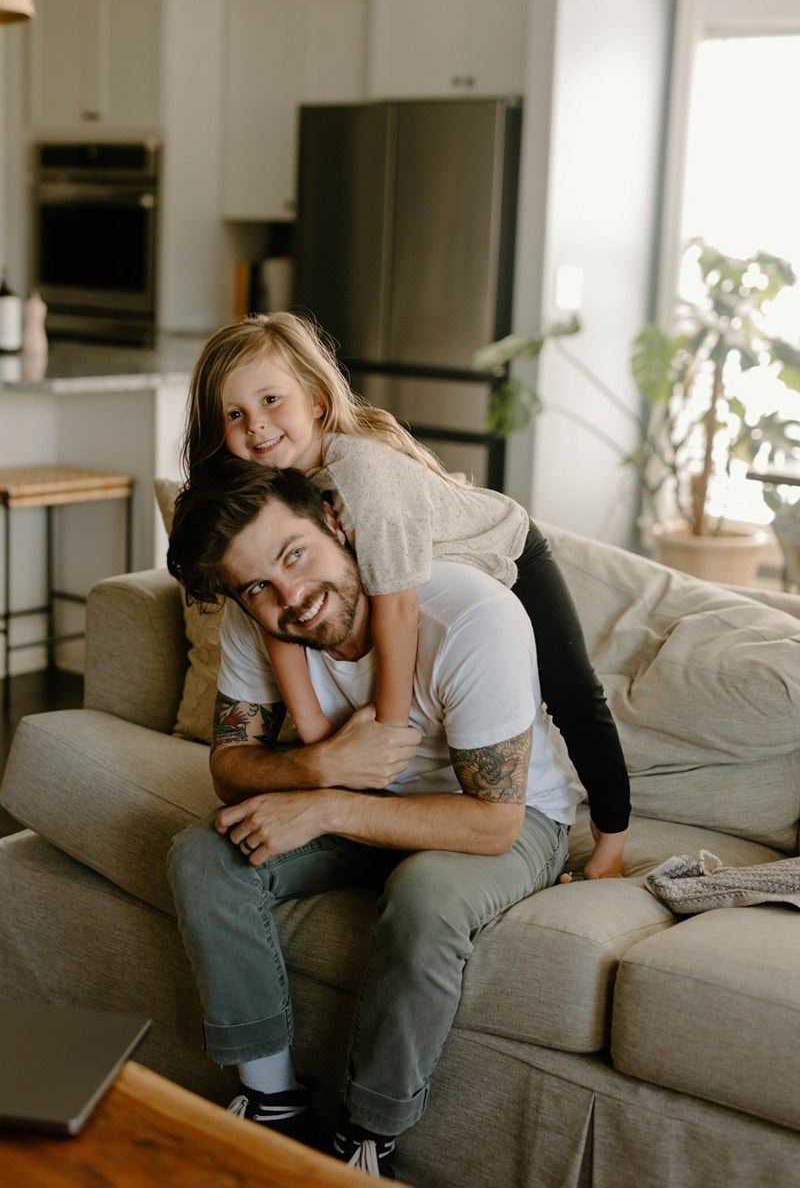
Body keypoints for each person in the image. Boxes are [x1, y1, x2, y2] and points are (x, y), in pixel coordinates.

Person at [165, 462, 602, 1177]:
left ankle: (366, 1140)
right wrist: (318, 769)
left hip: (506, 821)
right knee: (203, 854)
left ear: (338, 524)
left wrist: (329, 807)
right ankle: (273, 1106)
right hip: (365, 811)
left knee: (426, 895)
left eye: (295, 555)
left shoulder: (469, 615)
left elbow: (493, 824)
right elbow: (229, 766)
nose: (291, 598)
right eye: (258, 588)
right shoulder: (260, 621)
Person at [182, 312, 631, 866]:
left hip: (501, 548)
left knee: (571, 693)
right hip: (427, 564)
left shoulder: (363, 479)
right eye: (235, 413)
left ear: (317, 401)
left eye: (272, 400)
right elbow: (275, 618)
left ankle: (611, 841)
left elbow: (397, 609)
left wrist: (389, 735)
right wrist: (320, 737)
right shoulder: (263, 496)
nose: (256, 425)